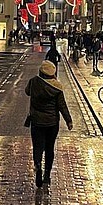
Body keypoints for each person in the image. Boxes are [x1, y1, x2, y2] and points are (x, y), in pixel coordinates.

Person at [25, 60, 73, 189]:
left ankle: (38, 165)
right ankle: (47, 175)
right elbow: (62, 105)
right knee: (50, 147)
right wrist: (68, 120)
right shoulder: (57, 87)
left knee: (37, 146)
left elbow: (27, 92)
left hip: (36, 121)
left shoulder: (34, 82)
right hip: (52, 123)